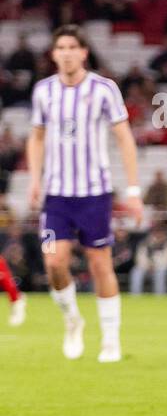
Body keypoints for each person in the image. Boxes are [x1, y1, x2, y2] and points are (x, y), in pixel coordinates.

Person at [26, 25, 144, 362]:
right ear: (53, 54)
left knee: (99, 263)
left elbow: (124, 138)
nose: (65, 52)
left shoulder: (104, 89)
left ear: (83, 53)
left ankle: (110, 339)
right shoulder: (43, 92)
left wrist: (133, 190)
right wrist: (35, 178)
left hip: (95, 193)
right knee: (53, 263)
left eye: (71, 46)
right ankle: (72, 319)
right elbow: (36, 137)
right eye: (59, 47)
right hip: (56, 196)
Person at [130, 223, 167, 295]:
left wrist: (156, 266)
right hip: (145, 267)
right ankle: (135, 296)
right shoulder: (145, 243)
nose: (158, 235)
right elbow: (139, 258)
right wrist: (148, 265)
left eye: (161, 232)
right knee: (136, 271)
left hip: (161, 268)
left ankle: (160, 297)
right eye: (156, 232)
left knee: (160, 273)